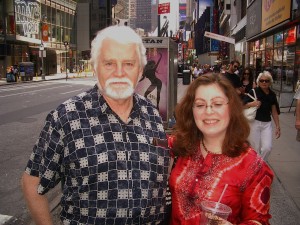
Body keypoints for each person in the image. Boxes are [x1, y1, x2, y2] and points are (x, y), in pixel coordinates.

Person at [21, 26, 171, 225]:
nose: (119, 72)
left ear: (140, 70)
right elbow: (32, 183)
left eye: (128, 63)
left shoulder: (152, 114)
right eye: (109, 63)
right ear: (95, 67)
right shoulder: (66, 117)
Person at [167, 73, 273, 225]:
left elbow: (259, 220)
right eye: (200, 105)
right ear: (192, 110)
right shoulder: (183, 145)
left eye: (217, 104)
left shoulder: (253, 166)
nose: (208, 111)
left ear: (231, 108)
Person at [244, 71, 281, 160]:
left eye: (266, 81)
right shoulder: (253, 91)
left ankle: (259, 163)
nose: (264, 82)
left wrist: (277, 126)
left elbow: (274, 111)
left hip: (267, 123)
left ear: (270, 82)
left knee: (267, 148)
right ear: (258, 82)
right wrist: (252, 104)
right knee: (254, 148)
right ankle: (256, 167)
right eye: (262, 80)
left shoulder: (272, 94)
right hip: (254, 122)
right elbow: (241, 105)